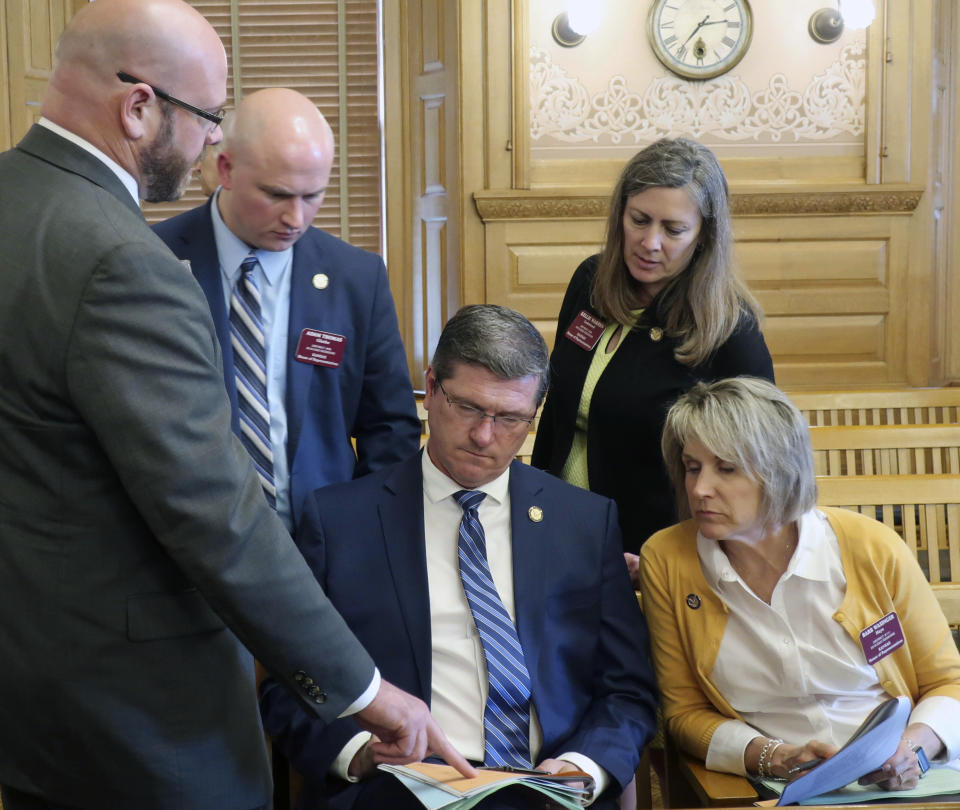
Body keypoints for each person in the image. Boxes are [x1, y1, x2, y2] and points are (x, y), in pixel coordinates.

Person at [0, 2, 469, 808]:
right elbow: (213, 512)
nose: (212, 139)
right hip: (142, 710)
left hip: (33, 681)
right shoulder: (126, 260)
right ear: (139, 106)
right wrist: (365, 691)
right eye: (206, 118)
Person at [259, 305, 659, 810]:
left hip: (547, 790)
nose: (484, 436)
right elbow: (291, 683)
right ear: (430, 389)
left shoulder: (584, 522)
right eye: (468, 407)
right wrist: (361, 753)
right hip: (400, 789)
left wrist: (583, 767)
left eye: (511, 418)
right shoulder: (341, 522)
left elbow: (627, 690)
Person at [639, 376, 960, 787]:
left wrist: (912, 750)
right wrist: (772, 756)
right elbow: (682, 713)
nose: (700, 489)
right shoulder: (668, 559)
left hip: (905, 776)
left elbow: (946, 682)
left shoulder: (871, 546)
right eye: (691, 467)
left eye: (726, 469)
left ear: (778, 471)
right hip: (773, 784)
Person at [154, 88, 420, 531]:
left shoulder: (357, 278)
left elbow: (390, 427)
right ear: (226, 169)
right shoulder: (152, 260)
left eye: (312, 196)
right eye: (277, 195)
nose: (296, 218)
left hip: (324, 548)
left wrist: (366, 532)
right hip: (190, 548)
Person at [531, 138, 774, 582]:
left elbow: (760, 471)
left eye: (673, 229)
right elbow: (559, 410)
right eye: (639, 220)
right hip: (558, 533)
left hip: (657, 558)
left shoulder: (730, 330)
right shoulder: (589, 281)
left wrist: (677, 560)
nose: (649, 242)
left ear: (704, 235)